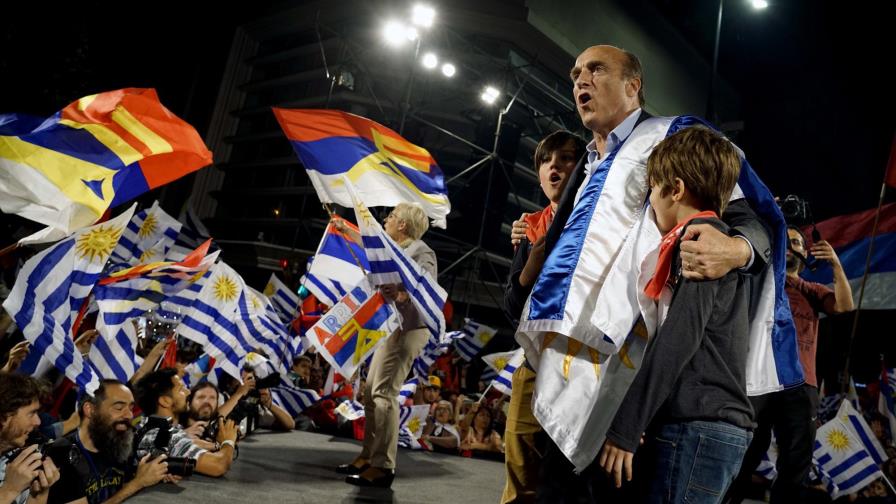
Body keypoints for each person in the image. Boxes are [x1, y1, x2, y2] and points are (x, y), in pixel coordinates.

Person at [508, 45, 778, 503]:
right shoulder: (583, 166)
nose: (581, 80)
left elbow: (750, 215)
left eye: (596, 69)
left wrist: (736, 248)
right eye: (576, 73)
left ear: (633, 86)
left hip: (622, 366)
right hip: (560, 360)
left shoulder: (670, 138)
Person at [598, 126, 753, 502]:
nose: (650, 201)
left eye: (652, 189)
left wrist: (626, 425)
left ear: (676, 189)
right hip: (711, 425)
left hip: (698, 425)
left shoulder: (702, 241)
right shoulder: (714, 237)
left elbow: (680, 337)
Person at [727, 224, 854, 503]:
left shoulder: (812, 290)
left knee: (796, 462)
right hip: (759, 378)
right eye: (786, 241)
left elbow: (844, 306)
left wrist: (835, 264)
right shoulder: (763, 279)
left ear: (807, 254)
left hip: (800, 383)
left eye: (797, 242)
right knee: (744, 452)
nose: (791, 246)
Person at [501, 129, 584, 504]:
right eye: (547, 161)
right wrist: (530, 267)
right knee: (520, 466)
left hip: (585, 361)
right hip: (535, 361)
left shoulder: (599, 221)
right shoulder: (530, 227)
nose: (555, 167)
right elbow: (512, 308)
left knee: (567, 473)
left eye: (567, 158)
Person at [334, 202, 439, 488]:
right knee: (370, 393)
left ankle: (383, 466)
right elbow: (373, 244)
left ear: (403, 224)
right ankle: (368, 456)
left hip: (410, 329)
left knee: (384, 393)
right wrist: (345, 229)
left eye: (391, 216)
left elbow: (426, 288)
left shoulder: (421, 251)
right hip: (390, 327)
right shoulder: (393, 250)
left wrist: (402, 295)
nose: (386, 220)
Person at [49, 380, 168, 504]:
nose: (129, 415)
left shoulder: (118, 441)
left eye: (131, 408)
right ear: (90, 410)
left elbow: (131, 483)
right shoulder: (62, 454)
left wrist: (156, 474)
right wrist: (138, 483)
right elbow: (133, 485)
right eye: (119, 408)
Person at [133, 369, 238, 478]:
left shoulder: (154, 427)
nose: (188, 392)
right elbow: (219, 465)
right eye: (181, 389)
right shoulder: (165, 436)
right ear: (165, 401)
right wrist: (229, 441)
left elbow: (188, 442)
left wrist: (216, 445)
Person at [0, 372, 60, 504]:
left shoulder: (17, 461)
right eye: (31, 413)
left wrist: (38, 494)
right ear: (4, 417)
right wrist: (9, 490)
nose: (38, 421)